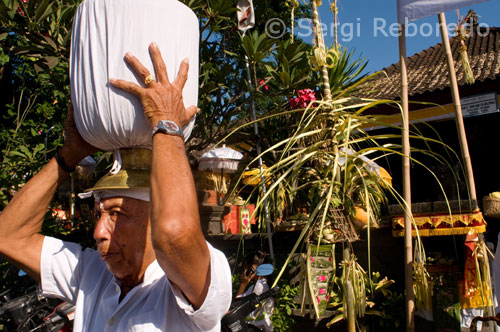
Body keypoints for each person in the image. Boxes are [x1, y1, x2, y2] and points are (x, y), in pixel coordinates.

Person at [0, 43, 232, 331]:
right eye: (101, 214)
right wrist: (70, 154)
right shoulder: (92, 274)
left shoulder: (196, 276)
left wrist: (167, 124)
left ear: (153, 219)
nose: (98, 232)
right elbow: (7, 236)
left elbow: (176, 233)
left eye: (116, 215)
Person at [236, 250, 274, 332]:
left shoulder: (258, 288)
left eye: (246, 268)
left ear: (253, 269)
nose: (244, 271)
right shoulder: (262, 285)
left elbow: (237, 306)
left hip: (256, 326)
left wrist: (243, 284)